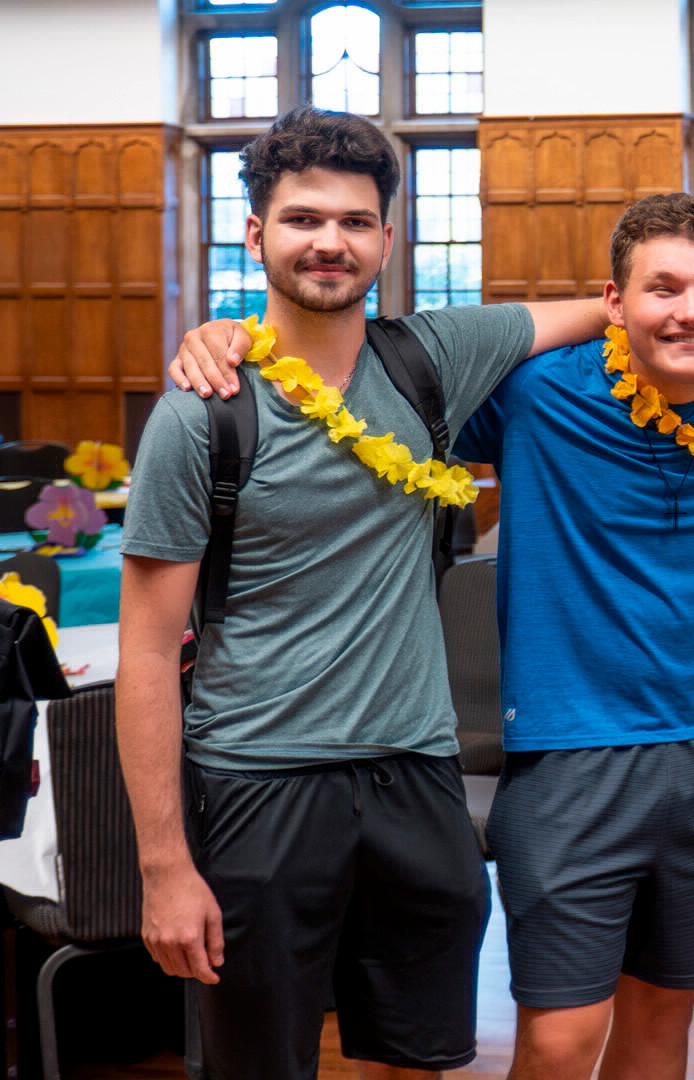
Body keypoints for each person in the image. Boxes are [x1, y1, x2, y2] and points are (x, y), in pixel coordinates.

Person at [115, 106, 613, 1079]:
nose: (329, 242)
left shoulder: (433, 358)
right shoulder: (200, 415)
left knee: (416, 1059)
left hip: (417, 780)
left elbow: (622, 304)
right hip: (258, 785)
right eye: (302, 220)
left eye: (353, 221)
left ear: (389, 238)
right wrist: (165, 867)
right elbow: (144, 654)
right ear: (256, 236)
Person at [449, 192, 694, 1080]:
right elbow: (405, 356)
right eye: (662, 289)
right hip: (572, 754)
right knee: (557, 1040)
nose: (692, 311)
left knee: (664, 1028)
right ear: (613, 302)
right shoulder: (537, 390)